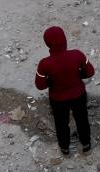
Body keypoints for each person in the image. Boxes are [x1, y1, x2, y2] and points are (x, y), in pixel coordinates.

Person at [34, 26, 94, 156]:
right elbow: (90, 72)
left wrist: (51, 81)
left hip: (58, 99)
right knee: (82, 119)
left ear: (47, 43)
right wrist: (78, 75)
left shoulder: (44, 64)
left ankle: (64, 148)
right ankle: (86, 144)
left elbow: (40, 85)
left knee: (61, 123)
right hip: (78, 94)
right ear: (64, 40)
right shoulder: (77, 55)